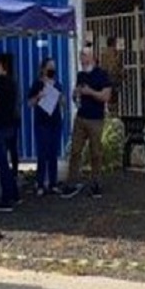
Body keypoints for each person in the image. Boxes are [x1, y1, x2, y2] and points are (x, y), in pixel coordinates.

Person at [61, 47, 112, 199]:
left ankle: (96, 182)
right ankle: (71, 182)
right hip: (81, 117)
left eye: (83, 57)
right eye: (80, 58)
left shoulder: (102, 75)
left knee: (95, 152)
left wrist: (90, 92)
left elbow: (106, 96)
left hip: (96, 118)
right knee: (75, 151)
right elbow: (77, 93)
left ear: (91, 58)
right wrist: (75, 94)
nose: (81, 61)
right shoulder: (81, 75)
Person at [0, 52, 20, 211]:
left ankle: (7, 198)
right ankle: (15, 193)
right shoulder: (12, 82)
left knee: (2, 163)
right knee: (7, 162)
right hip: (10, 125)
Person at [28, 56, 65, 196]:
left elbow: (63, 104)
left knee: (53, 153)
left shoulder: (57, 84)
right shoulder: (37, 84)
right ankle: (40, 183)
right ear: (43, 69)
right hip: (41, 123)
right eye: (50, 66)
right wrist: (39, 96)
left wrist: (62, 99)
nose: (52, 69)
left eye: (54, 67)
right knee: (42, 154)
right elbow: (29, 103)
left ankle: (53, 183)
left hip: (55, 122)